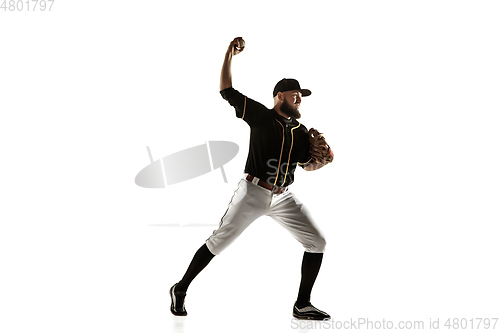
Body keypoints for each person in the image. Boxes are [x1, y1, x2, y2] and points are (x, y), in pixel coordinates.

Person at [170, 37, 333, 321]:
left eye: (301, 95)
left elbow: (307, 165)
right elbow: (226, 90)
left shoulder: (301, 130)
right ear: (279, 96)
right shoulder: (260, 115)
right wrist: (228, 54)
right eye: (294, 93)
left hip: (284, 197)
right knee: (218, 242)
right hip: (253, 192)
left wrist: (322, 159)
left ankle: (302, 304)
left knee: (317, 242)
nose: (299, 98)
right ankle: (180, 288)